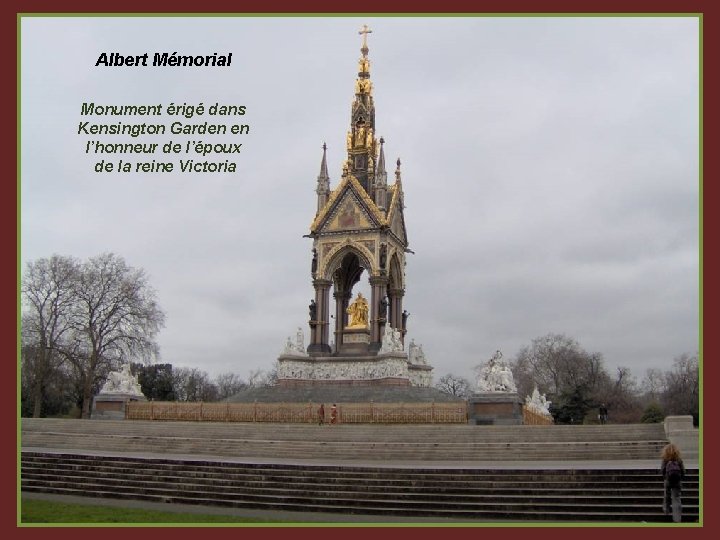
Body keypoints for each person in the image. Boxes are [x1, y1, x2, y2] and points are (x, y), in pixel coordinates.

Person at [661, 443, 686, 522]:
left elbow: (662, 471)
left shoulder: (665, 459)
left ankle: (666, 511)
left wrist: (665, 477)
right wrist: (680, 478)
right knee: (676, 498)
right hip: (677, 481)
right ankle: (677, 518)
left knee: (667, 495)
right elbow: (683, 471)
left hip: (668, 481)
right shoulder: (679, 459)